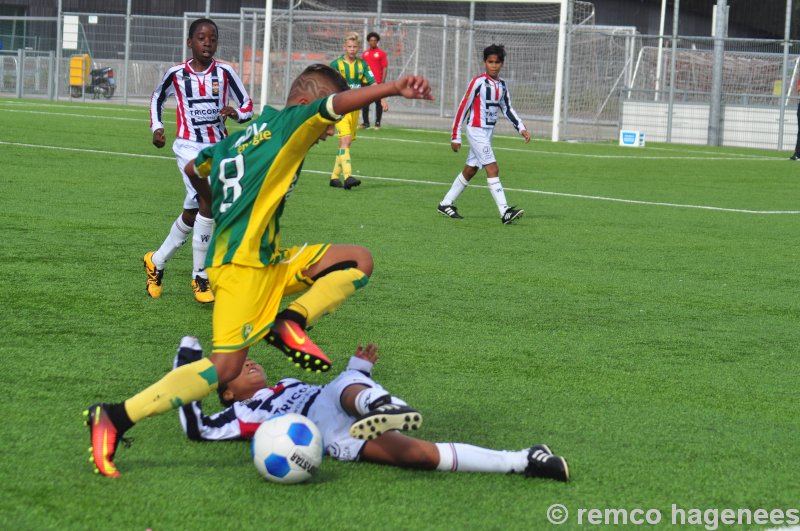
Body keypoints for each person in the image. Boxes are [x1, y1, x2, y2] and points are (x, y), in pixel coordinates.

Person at [84, 64, 434, 478]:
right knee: (226, 369)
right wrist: (392, 87)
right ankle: (116, 416)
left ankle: (290, 321)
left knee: (359, 259)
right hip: (241, 268)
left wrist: (210, 204)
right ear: (307, 105)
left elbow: (196, 166)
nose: (327, 131)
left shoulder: (246, 135)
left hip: (268, 260)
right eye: (327, 123)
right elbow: (336, 103)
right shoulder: (291, 123)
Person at [174, 337, 570, 481]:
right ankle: (526, 461)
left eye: (248, 360)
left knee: (345, 384)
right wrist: (187, 366)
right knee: (416, 456)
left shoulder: (287, 383)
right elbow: (198, 429)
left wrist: (359, 370)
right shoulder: (240, 416)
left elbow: (338, 386)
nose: (249, 363)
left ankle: (379, 402)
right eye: (239, 370)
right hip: (328, 436)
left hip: (328, 398)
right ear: (227, 394)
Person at [147, 18, 254, 303]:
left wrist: (235, 113)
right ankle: (200, 276)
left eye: (213, 38)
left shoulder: (226, 72)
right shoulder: (176, 74)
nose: (208, 43)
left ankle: (156, 261)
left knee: (194, 212)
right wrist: (157, 127)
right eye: (202, 38)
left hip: (219, 148)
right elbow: (157, 98)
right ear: (190, 42)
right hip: (188, 147)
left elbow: (247, 106)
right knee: (208, 200)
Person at [437, 44, 531, 225]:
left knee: (471, 169)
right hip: (475, 130)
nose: (493, 65)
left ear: (502, 64)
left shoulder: (502, 85)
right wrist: (455, 135)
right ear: (484, 63)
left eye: (497, 62)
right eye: (490, 62)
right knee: (493, 168)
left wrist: (521, 128)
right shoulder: (478, 83)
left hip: (488, 133)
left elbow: (507, 108)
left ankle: (445, 203)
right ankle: (505, 211)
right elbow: (463, 107)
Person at [329, 31, 388, 190]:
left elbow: (373, 83)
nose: (352, 49)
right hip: (340, 108)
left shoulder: (362, 65)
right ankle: (348, 177)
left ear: (358, 48)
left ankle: (334, 177)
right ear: (344, 47)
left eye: (355, 46)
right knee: (346, 140)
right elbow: (327, 84)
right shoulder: (336, 65)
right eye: (349, 46)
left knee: (345, 143)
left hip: (355, 109)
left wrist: (382, 98)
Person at [360, 32, 389, 130]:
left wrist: (382, 81)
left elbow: (385, 67)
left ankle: (377, 123)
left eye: (375, 40)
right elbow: (362, 67)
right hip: (365, 82)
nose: (373, 42)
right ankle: (365, 123)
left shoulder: (381, 53)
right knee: (364, 103)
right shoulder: (365, 53)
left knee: (378, 103)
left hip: (377, 82)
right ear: (368, 41)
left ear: (377, 41)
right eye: (371, 40)